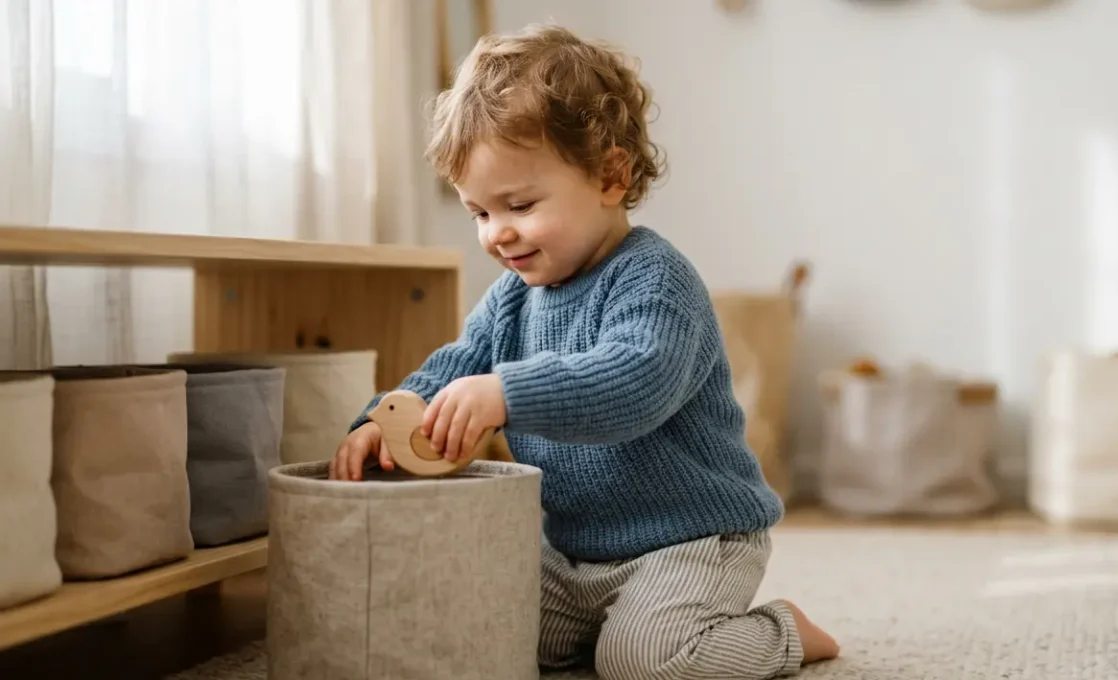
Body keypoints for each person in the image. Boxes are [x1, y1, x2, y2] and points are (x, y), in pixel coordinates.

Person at [329, 22, 840, 680]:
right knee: (478, 627)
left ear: (610, 175)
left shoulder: (656, 280)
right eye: (479, 213)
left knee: (647, 663)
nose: (496, 234)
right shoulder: (512, 297)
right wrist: (386, 418)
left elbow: (632, 383)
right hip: (572, 550)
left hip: (689, 538)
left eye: (518, 204)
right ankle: (601, 622)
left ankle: (783, 633)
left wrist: (506, 394)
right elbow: (454, 365)